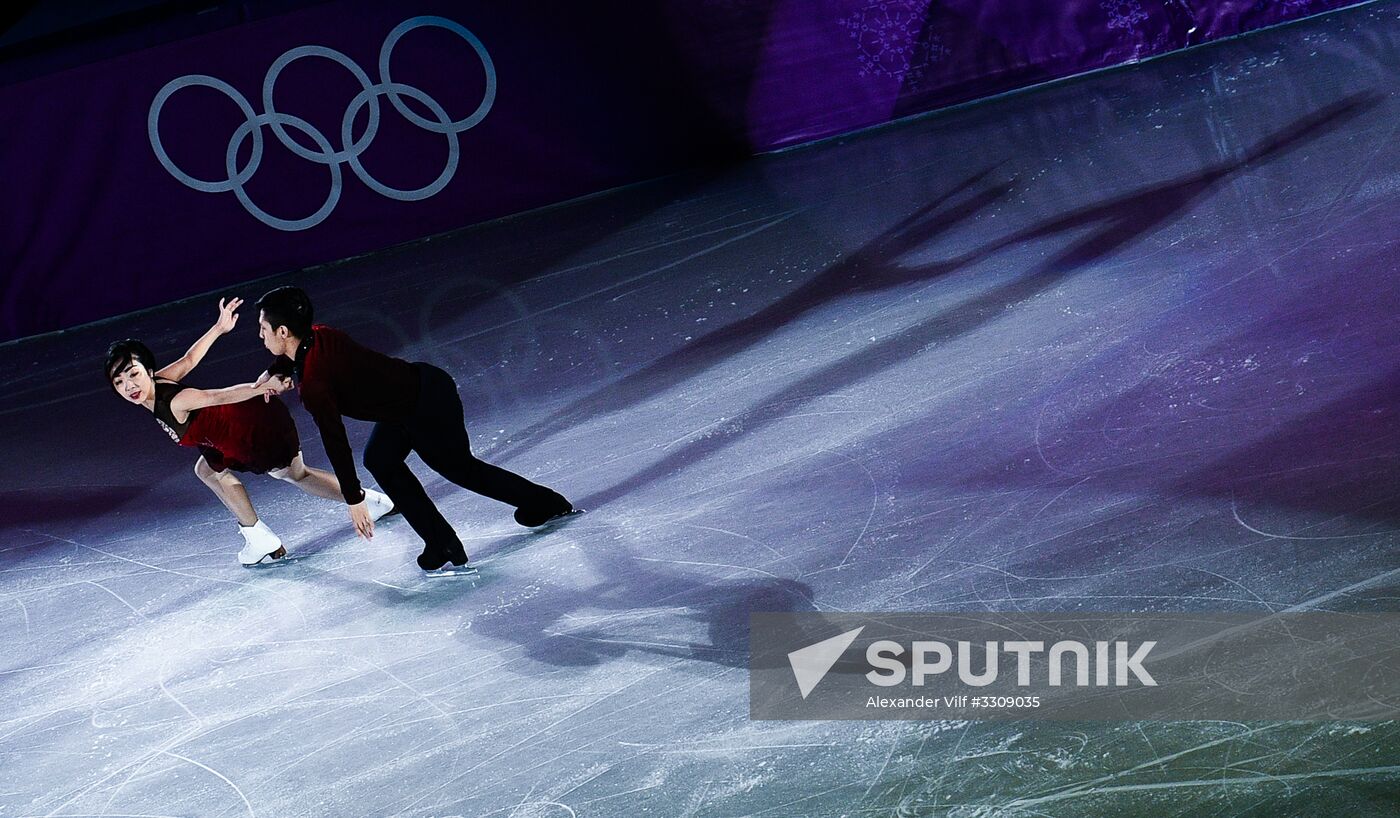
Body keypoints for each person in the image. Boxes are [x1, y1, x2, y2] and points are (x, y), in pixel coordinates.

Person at [255, 286, 574, 571]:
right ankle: (441, 542)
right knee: (380, 458)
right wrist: (274, 371)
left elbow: (335, 440)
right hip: (407, 403)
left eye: (263, 328)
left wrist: (354, 500)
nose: (261, 335)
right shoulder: (321, 335)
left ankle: (544, 502)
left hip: (427, 403)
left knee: (462, 470)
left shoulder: (314, 384)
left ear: (283, 331)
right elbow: (300, 355)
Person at [105, 297, 396, 565]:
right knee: (207, 471)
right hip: (224, 435)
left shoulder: (175, 402)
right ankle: (258, 537)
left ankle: (367, 503)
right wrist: (219, 328)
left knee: (293, 474)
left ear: (147, 370)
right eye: (120, 381)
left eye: (134, 374)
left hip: (251, 428)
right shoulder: (158, 383)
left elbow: (218, 396)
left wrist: (262, 388)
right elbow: (190, 360)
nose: (130, 386)